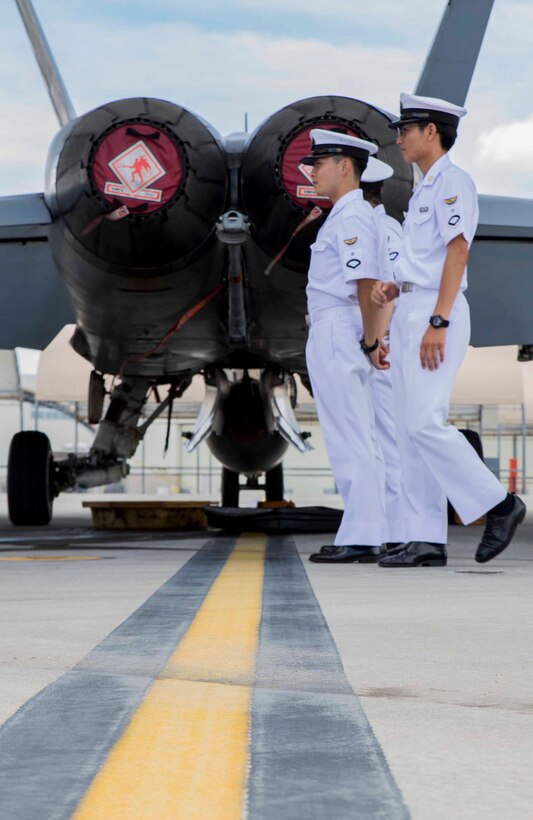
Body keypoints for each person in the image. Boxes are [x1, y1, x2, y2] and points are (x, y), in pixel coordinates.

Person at [372, 93, 526, 567]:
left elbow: (458, 253)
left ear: (431, 132)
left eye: (406, 129)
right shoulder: (424, 188)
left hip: (436, 314)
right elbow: (426, 258)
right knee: (406, 430)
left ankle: (500, 505)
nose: (399, 138)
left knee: (423, 421)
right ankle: (424, 538)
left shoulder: (453, 183)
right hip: (412, 309)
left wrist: (438, 320)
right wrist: (393, 287)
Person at [302, 129, 391, 564]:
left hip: (339, 329)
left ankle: (361, 536)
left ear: (344, 167)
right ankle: (365, 530)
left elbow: (365, 284)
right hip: (337, 328)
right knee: (355, 434)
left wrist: (370, 341)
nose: (312, 171)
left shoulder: (351, 217)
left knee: (350, 436)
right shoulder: (344, 216)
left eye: (319, 163)